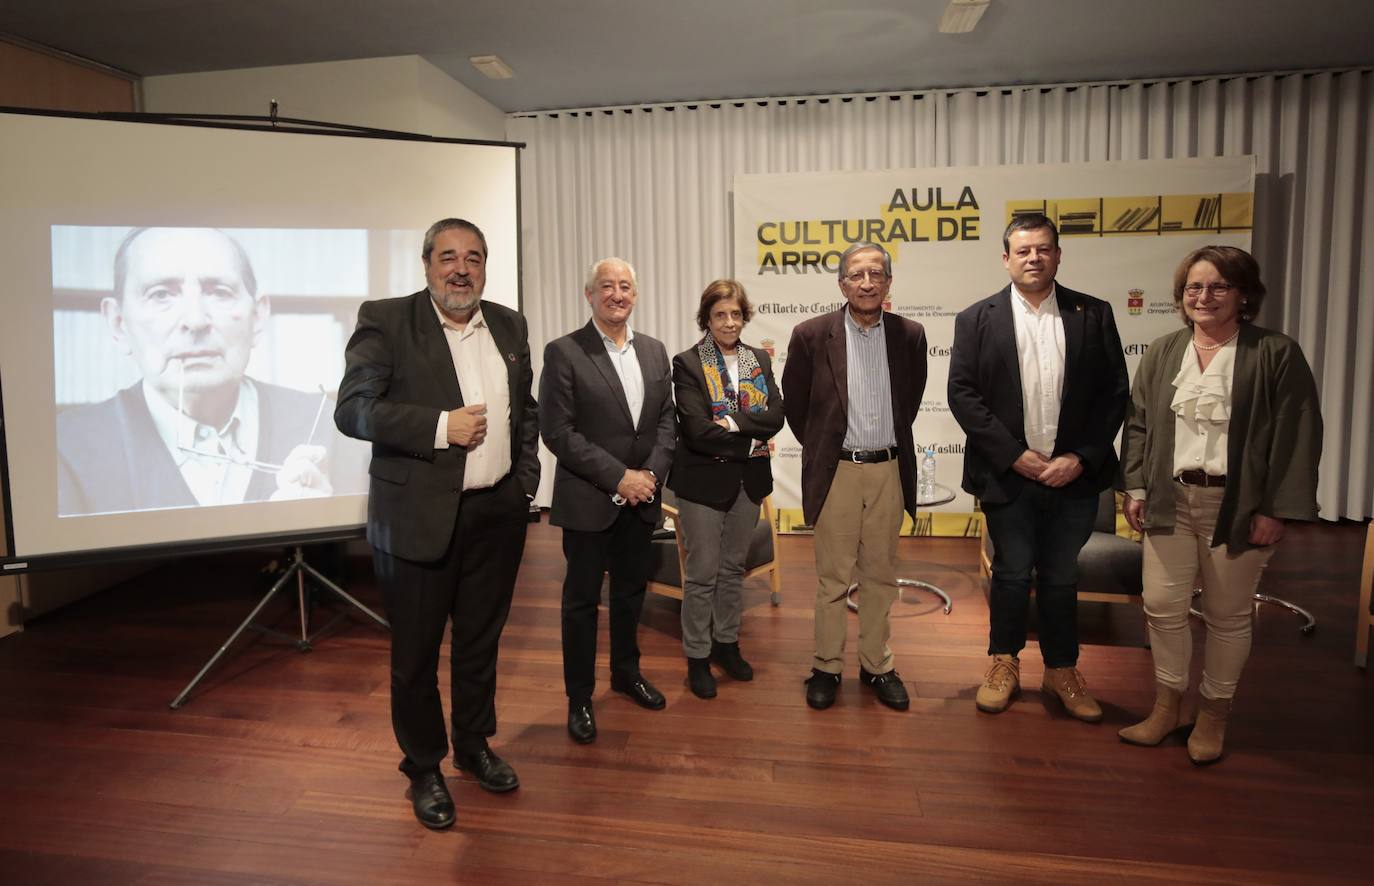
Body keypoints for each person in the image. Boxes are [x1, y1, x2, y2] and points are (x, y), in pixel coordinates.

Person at [334, 218, 540, 829]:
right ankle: (424, 766)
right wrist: (437, 427)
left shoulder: (508, 323)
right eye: (448, 256)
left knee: (479, 644)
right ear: (427, 264)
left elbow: (522, 410)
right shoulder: (388, 320)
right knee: (416, 655)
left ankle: (474, 747)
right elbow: (353, 410)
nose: (462, 268)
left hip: (496, 514)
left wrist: (524, 483)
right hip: (418, 517)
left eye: (474, 258)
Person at [1119, 245, 1321, 764]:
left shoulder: (1275, 352)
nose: (1203, 297)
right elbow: (1139, 424)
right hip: (1169, 499)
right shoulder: (1164, 351)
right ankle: (1167, 707)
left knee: (1227, 615)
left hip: (1239, 504)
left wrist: (1276, 509)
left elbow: (1298, 436)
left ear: (1243, 295)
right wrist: (1137, 487)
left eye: (1217, 287)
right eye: (1193, 287)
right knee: (1162, 608)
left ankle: (1213, 714)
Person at [948, 213, 1129, 722]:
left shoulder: (1093, 314)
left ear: (1057, 254)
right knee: (1009, 573)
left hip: (1074, 477)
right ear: (1005, 258)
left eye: (1043, 249)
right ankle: (1003, 664)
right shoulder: (975, 319)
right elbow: (963, 395)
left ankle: (1061, 669)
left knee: (1060, 576)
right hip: (1009, 476)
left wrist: (1080, 457)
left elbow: (1114, 394)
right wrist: (1014, 455)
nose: (1033, 258)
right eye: (1023, 250)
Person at [57, 226, 335, 515]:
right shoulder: (65, 448)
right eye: (161, 294)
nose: (195, 320)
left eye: (219, 292)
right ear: (118, 323)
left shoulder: (328, 426)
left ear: (258, 317)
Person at [782, 242, 927, 712]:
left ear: (888, 282)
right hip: (838, 470)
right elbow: (797, 405)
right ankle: (826, 667)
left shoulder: (910, 335)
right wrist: (826, 450)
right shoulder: (810, 335)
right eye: (856, 275)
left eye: (876, 274)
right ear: (841, 283)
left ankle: (876, 665)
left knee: (881, 574)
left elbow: (911, 400)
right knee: (832, 579)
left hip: (888, 468)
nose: (866, 283)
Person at [539, 257, 676, 743]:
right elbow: (557, 432)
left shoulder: (657, 353)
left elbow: (665, 424)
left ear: (635, 295)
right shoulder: (564, 352)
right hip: (589, 501)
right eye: (606, 286)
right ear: (589, 294)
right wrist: (619, 478)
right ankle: (579, 697)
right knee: (580, 602)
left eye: (625, 286)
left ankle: (626, 672)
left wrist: (650, 476)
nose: (616, 294)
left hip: (642, 499)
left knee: (629, 593)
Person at [668, 279, 785, 699]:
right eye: (720, 315)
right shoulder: (687, 363)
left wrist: (734, 425)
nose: (729, 322)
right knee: (701, 575)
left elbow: (776, 417)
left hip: (748, 481)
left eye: (736, 314)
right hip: (701, 482)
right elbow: (697, 432)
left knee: (732, 571)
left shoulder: (759, 360)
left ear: (744, 315)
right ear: (707, 318)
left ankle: (726, 644)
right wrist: (751, 437)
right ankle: (698, 657)